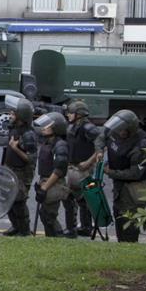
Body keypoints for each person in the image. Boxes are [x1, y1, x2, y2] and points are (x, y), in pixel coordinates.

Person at [99, 110, 146, 243]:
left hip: (135, 189)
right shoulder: (115, 133)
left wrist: (110, 172)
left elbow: (135, 173)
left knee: (129, 225)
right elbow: (101, 137)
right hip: (120, 187)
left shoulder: (143, 144)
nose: (119, 133)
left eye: (123, 130)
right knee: (118, 218)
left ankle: (130, 252)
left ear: (130, 129)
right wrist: (99, 151)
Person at [64, 101, 102, 238]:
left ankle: (86, 227)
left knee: (84, 198)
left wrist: (89, 162)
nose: (68, 115)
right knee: (69, 197)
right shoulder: (72, 127)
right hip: (72, 167)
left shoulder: (89, 128)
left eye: (71, 112)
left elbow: (101, 146)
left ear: (79, 114)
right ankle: (71, 227)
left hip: (84, 169)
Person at [2, 96, 37, 237]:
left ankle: (24, 230)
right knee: (7, 199)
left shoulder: (28, 134)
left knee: (19, 202)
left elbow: (31, 159)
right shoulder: (14, 129)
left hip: (21, 172)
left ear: (20, 116)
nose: (10, 115)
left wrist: (15, 148)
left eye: (13, 113)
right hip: (9, 169)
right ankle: (15, 226)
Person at [33, 112, 69, 238]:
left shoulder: (60, 145)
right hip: (45, 181)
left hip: (54, 184)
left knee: (49, 216)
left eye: (47, 126)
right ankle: (51, 239)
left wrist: (45, 187)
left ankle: (58, 238)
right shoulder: (47, 142)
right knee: (44, 214)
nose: (43, 128)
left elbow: (59, 170)